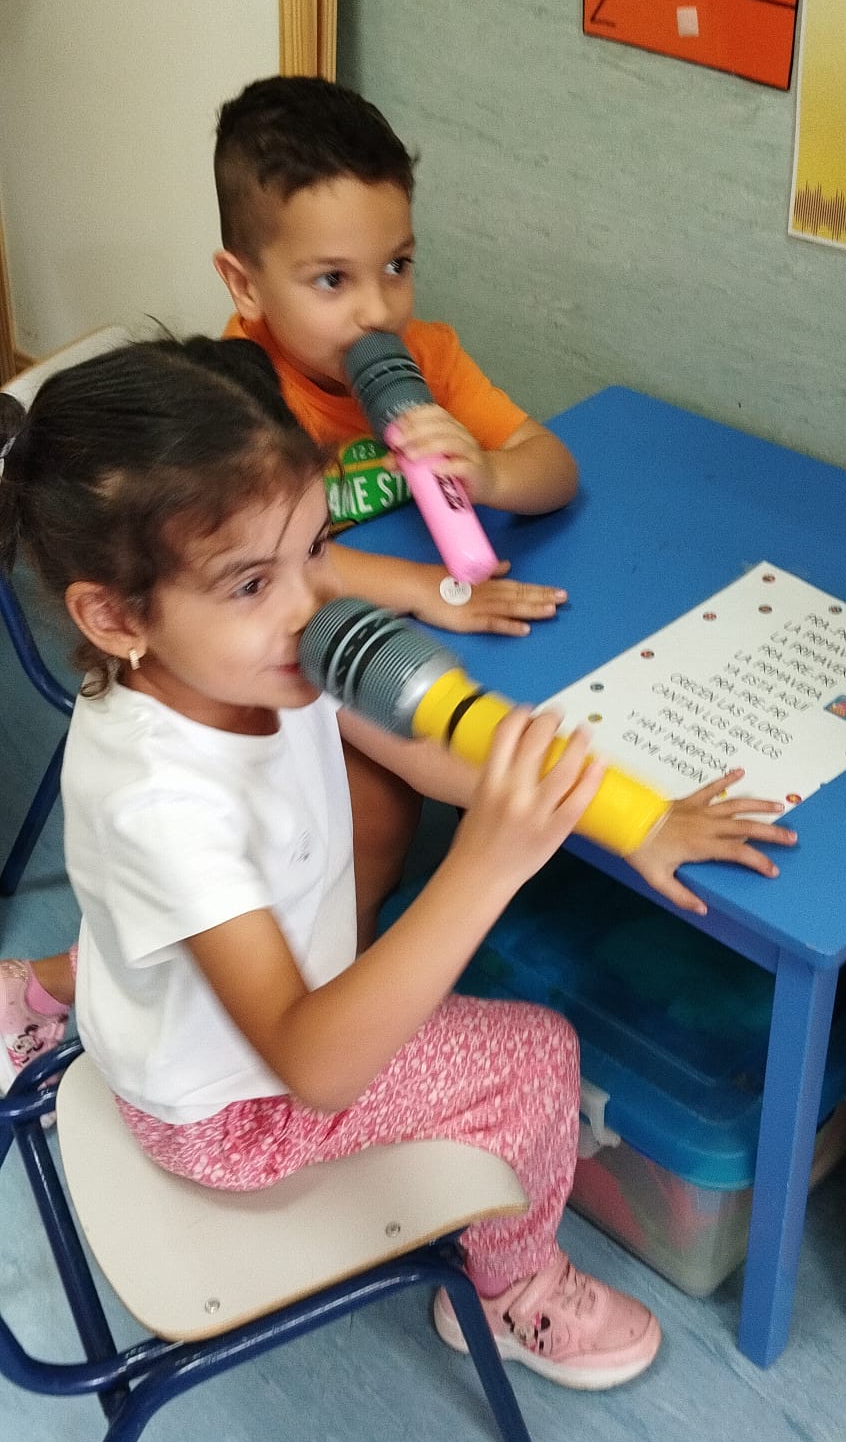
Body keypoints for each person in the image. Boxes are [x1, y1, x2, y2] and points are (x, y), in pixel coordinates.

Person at [0, 339, 797, 1386]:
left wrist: (635, 821)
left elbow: (424, 748)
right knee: (539, 1057)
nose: (309, 606)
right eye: (251, 582)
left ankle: (32, 992)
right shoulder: (163, 804)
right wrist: (484, 866)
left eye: (316, 549)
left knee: (260, 933)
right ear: (114, 616)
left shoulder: (224, 668)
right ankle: (509, 1292)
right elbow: (316, 1068)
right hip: (236, 1117)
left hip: (169, 1022)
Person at [214, 75, 580, 940]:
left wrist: (489, 473)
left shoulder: (427, 357)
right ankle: (326, 981)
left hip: (379, 630)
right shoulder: (237, 397)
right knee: (375, 822)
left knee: (421, 792)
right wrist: (427, 588)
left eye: (397, 267)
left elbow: (557, 471)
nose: (378, 310)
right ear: (246, 286)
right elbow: (274, 567)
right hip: (271, 648)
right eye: (331, 280)